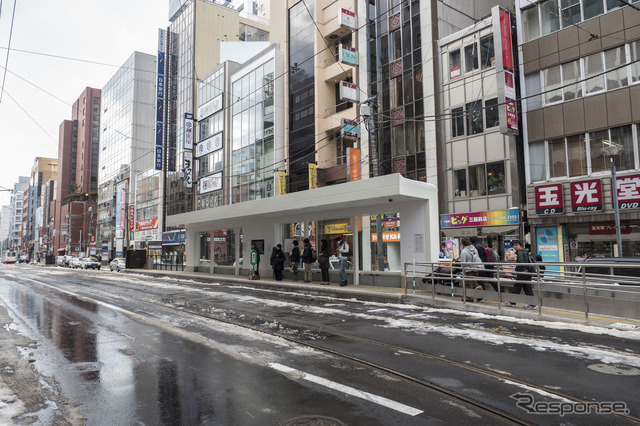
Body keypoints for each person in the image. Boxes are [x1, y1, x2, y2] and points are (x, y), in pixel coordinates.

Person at [504, 240, 536, 309]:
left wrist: (516, 270)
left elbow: (521, 263)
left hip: (522, 273)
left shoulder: (520, 253)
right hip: (527, 273)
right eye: (514, 245)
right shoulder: (525, 251)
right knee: (527, 288)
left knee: (517, 287)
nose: (515, 247)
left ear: (520, 245)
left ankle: (512, 302)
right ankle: (532, 304)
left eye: (516, 245)